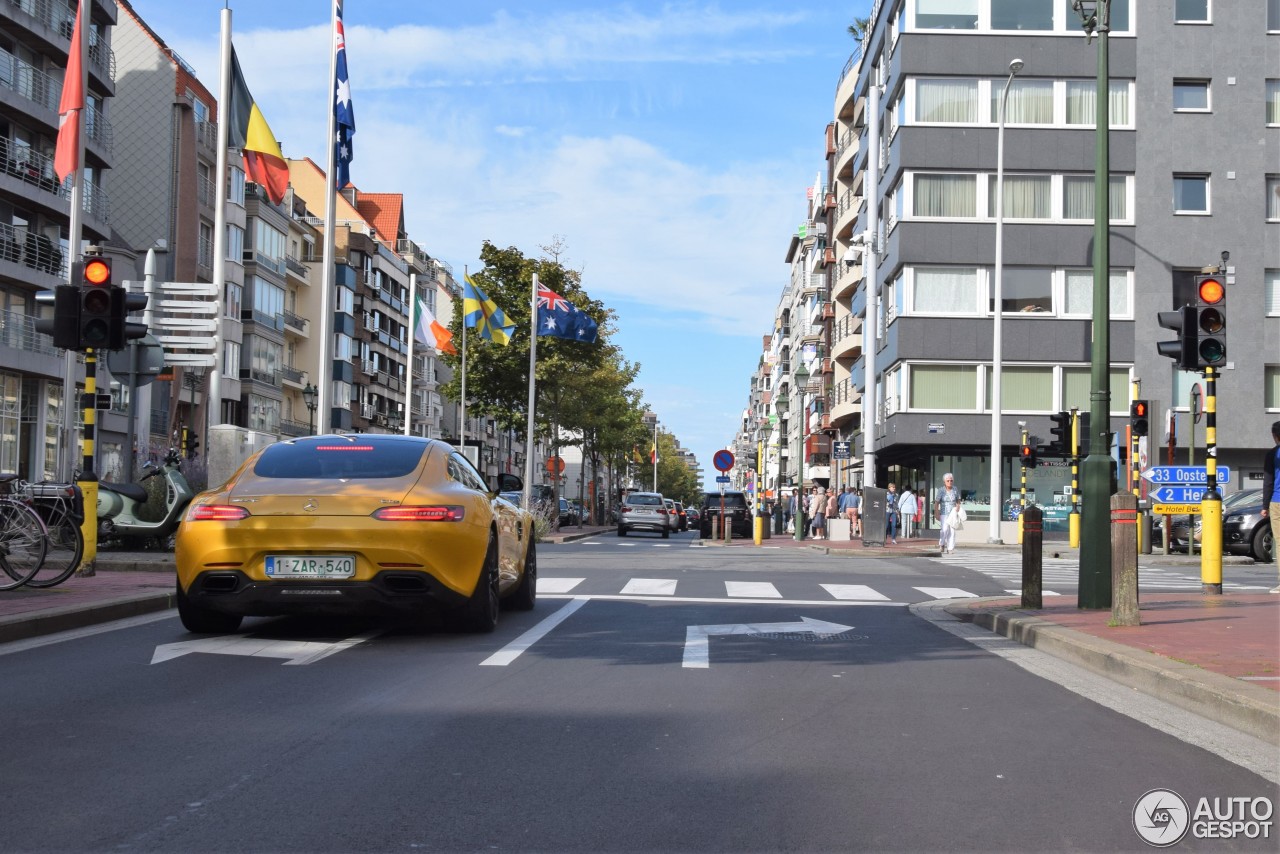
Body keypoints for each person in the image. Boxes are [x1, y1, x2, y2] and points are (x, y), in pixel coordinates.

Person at [1265, 421, 1280, 593]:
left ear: (1275, 436)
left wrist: (1264, 505)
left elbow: (1268, 481)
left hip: (1277, 501)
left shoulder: (1272, 454)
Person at [934, 473, 960, 554]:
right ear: (944, 482)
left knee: (952, 531)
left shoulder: (955, 489)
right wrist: (936, 512)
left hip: (952, 513)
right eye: (948, 480)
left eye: (951, 480)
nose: (950, 482)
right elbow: (937, 502)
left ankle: (950, 548)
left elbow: (958, 500)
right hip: (944, 513)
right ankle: (942, 543)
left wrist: (958, 507)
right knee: (944, 530)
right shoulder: (941, 490)